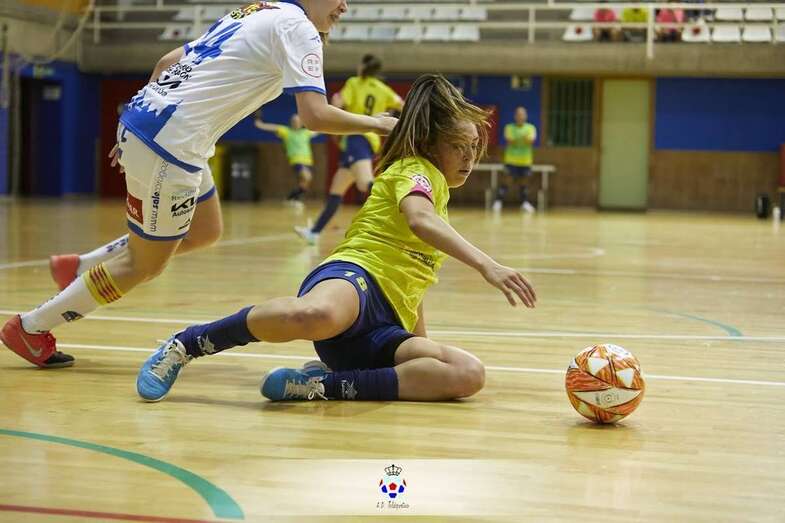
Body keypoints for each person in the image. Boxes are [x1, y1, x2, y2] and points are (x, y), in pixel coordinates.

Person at [0, 0, 397, 369]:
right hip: (171, 145)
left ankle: (81, 266)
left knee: (206, 230)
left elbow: (168, 61)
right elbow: (314, 116)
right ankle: (31, 327)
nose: (346, 5)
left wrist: (142, 121)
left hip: (163, 129)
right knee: (144, 265)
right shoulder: (299, 28)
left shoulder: (257, 9)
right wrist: (378, 124)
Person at [135, 74, 537, 403]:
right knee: (316, 316)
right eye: (458, 146)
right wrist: (488, 265)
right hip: (354, 280)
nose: (469, 158)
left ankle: (320, 386)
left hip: (383, 329)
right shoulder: (415, 169)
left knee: (468, 374)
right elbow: (418, 220)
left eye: (474, 147)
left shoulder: (440, 194)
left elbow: (410, 288)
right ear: (431, 146)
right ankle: (189, 343)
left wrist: (423, 354)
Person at [294, 54, 403, 245]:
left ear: (362, 66)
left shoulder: (354, 82)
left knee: (365, 183)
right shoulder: (383, 89)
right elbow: (401, 104)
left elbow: (337, 104)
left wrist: (335, 104)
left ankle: (400, 211)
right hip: (367, 140)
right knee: (337, 191)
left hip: (357, 136)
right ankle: (314, 232)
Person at [254, 110, 320, 207]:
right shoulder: (286, 131)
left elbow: (319, 130)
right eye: (293, 121)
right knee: (307, 177)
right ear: (291, 122)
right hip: (296, 160)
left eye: (297, 121)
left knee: (304, 184)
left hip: (308, 161)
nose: (295, 123)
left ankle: (292, 199)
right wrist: (259, 123)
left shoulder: (306, 133)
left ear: (301, 123)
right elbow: (270, 127)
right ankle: (293, 199)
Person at [493, 106, 538, 213]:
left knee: (524, 183)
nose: (520, 116)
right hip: (511, 160)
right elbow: (510, 140)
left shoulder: (531, 128)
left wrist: (519, 138)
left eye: (522, 114)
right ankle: (498, 201)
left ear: (525, 116)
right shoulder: (509, 127)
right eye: (518, 114)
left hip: (525, 161)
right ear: (515, 116)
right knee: (507, 181)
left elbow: (530, 140)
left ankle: (525, 203)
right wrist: (523, 137)